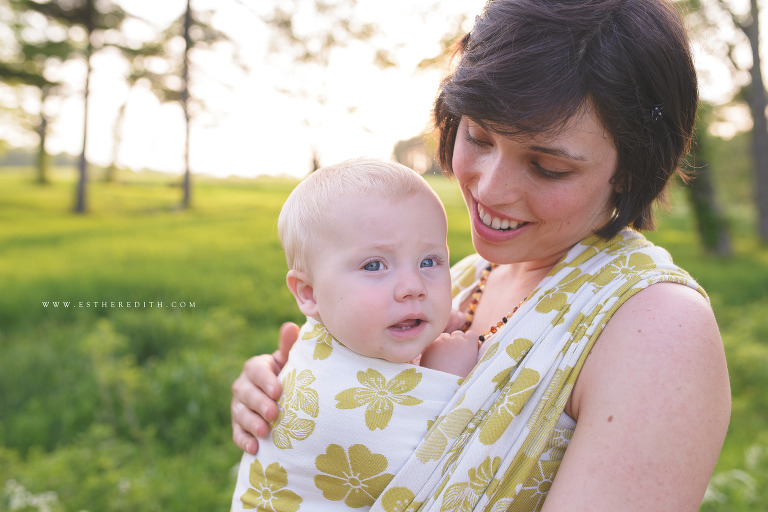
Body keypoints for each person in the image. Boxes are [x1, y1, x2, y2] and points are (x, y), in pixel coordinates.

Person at [231, 1, 732, 510]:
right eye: (478, 137)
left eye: (548, 167)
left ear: (631, 168)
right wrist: (294, 400)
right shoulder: (461, 278)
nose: (491, 189)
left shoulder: (660, 328)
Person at [231, 158, 479, 511]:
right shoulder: (328, 401)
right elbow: (428, 469)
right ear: (308, 293)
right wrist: (443, 381)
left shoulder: (347, 331)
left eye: (429, 261)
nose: (413, 287)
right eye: (374, 265)